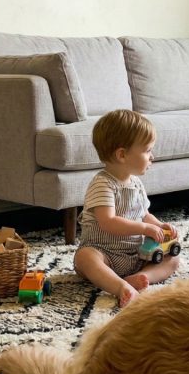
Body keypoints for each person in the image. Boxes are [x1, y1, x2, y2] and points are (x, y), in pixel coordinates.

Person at [74, 109, 179, 307]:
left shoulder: (136, 183)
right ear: (122, 154)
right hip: (105, 254)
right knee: (85, 258)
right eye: (147, 150)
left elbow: (144, 214)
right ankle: (121, 287)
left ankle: (140, 277)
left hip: (137, 253)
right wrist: (144, 229)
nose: (152, 156)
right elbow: (108, 222)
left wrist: (159, 226)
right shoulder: (102, 184)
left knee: (173, 259)